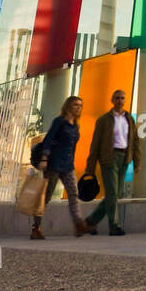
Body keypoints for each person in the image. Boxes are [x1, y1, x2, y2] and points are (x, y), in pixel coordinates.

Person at [31, 96, 93, 240]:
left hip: (68, 166)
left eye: (80, 105)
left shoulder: (75, 125)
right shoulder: (59, 122)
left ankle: (78, 224)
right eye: (76, 105)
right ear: (68, 106)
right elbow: (48, 140)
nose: (78, 108)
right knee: (46, 197)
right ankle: (36, 228)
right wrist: (44, 158)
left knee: (73, 194)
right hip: (53, 164)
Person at [83, 89, 141, 236]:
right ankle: (114, 226)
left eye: (122, 98)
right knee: (113, 192)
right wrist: (90, 167)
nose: (120, 100)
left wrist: (137, 161)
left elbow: (135, 141)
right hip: (109, 158)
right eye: (117, 98)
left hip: (124, 158)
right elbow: (95, 144)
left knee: (117, 193)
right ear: (112, 100)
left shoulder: (129, 119)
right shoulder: (104, 120)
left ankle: (90, 221)